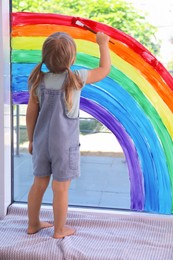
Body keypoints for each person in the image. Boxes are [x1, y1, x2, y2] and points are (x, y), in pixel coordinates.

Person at [26, 31, 111, 239]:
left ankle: (33, 224)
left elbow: (31, 113)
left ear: (45, 57)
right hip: (64, 145)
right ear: (72, 58)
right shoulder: (77, 78)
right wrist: (102, 44)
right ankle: (59, 229)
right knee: (61, 187)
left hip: (41, 141)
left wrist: (31, 139)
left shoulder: (38, 80)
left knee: (39, 183)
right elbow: (104, 69)